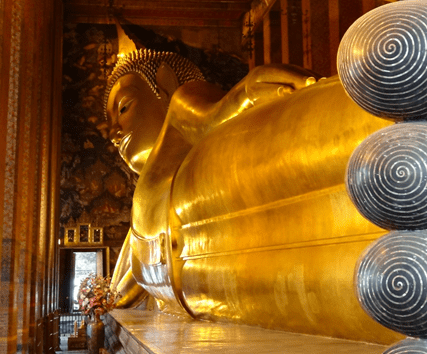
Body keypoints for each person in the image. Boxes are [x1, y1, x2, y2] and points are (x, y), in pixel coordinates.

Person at [105, 45, 399, 343]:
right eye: (111, 123)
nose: (114, 131)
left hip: (215, 185)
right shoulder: (142, 210)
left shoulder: (181, 109)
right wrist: (105, 301)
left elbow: (207, 115)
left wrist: (242, 94)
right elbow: (126, 285)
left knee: (358, 148)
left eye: (124, 108)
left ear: (165, 85)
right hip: (210, 279)